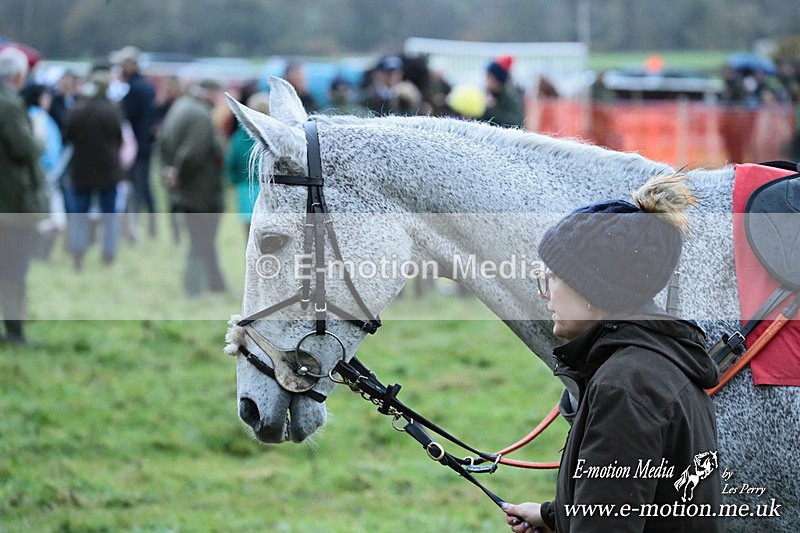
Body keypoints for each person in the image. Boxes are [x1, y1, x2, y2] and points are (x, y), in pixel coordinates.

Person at [504, 173, 722, 532]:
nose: (545, 294)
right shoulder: (662, 362)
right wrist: (553, 517)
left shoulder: (625, 388)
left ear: (593, 289)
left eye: (553, 279)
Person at [158, 79, 227, 297]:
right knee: (201, 240)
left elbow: (163, 144)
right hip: (200, 190)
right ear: (209, 93)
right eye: (217, 94)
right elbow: (193, 153)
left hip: (187, 189)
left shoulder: (179, 107)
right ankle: (192, 289)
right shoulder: (199, 115)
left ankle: (216, 283)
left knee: (203, 239)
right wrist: (178, 173)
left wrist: (169, 171)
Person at [0, 46, 48, 344]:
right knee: (15, 268)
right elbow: (24, 149)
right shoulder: (9, 105)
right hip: (11, 201)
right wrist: (39, 138)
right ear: (19, 76)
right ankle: (15, 332)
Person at [63, 68, 124, 270]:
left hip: (81, 171)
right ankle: (109, 255)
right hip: (108, 172)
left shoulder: (77, 109)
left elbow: (68, 137)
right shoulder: (113, 110)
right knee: (109, 216)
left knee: (79, 215)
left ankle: (77, 254)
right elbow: (120, 139)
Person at [111, 45, 157, 237]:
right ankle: (152, 227)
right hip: (147, 145)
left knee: (137, 188)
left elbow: (126, 118)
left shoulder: (132, 89)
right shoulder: (147, 87)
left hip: (134, 147)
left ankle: (135, 227)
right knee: (146, 188)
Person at [224, 91, 268, 237]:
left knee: (249, 235)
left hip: (245, 191)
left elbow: (231, 164)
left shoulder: (238, 138)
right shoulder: (271, 139)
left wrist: (234, 180)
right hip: (267, 191)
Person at [481, 56, 524, 128]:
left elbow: (516, 123)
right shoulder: (486, 93)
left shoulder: (510, 98)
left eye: (489, 77)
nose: (486, 80)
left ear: (497, 81)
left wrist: (490, 109)